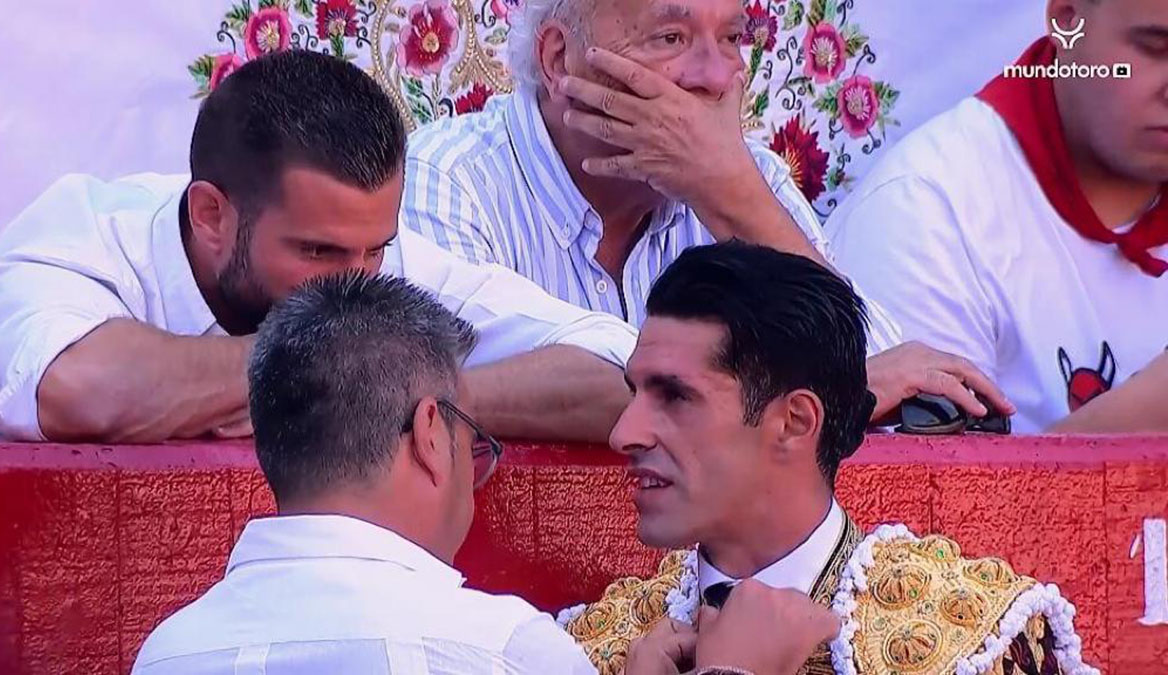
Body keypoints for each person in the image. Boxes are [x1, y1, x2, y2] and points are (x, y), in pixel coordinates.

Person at [132, 270, 843, 675]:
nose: (625, 431)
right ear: (430, 433)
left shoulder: (166, 653)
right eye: (473, 437)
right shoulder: (508, 649)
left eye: (675, 395)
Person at [0, 50, 636, 444]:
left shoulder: (376, 262)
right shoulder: (78, 235)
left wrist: (416, 390)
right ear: (210, 215)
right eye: (317, 253)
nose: (358, 283)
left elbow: (628, 373)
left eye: (374, 248)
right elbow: (77, 388)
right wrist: (321, 369)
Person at [402, 0, 1016, 428]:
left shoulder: (748, 180)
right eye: (671, 39)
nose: (716, 78)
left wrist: (733, 198)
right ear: (560, 59)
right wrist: (810, 388)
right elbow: (429, 391)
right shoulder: (449, 182)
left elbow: (882, 371)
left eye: (730, 39)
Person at [557, 242, 1097, 675]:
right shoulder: (597, 648)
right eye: (635, 393)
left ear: (795, 422)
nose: (624, 433)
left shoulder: (970, 640)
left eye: (675, 396)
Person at [827, 0, 1168, 432]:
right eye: (1155, 47)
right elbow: (929, 494)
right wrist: (1145, 415)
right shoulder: (927, 210)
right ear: (1068, 22)